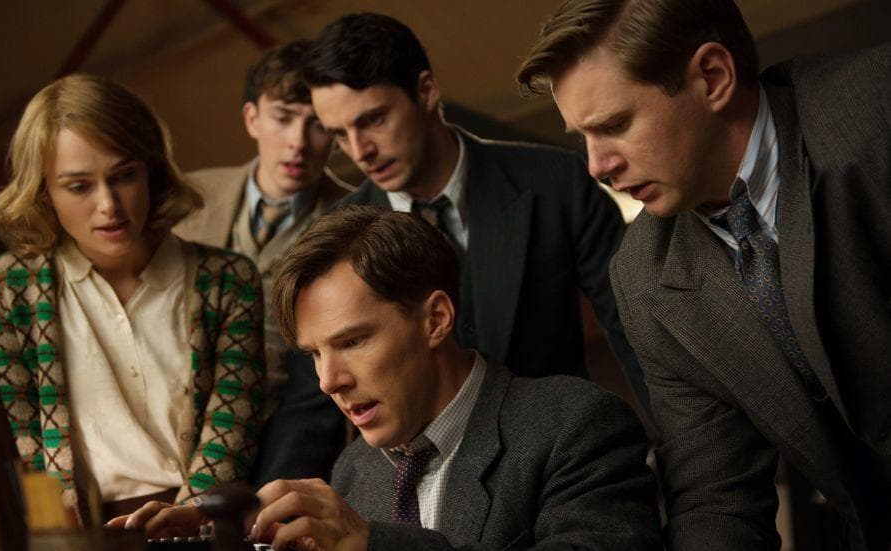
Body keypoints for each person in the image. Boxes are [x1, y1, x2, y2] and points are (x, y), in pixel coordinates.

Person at [517, 1, 891, 548]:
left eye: (616, 125)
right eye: (583, 138)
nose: (597, 167)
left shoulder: (876, 110)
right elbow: (717, 497)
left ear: (713, 77)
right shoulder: (643, 277)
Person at [114, 205, 661, 549]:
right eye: (314, 354)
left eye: (352, 341)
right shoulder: (353, 471)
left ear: (435, 319)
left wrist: (372, 544)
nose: (329, 380)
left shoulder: (575, 426)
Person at [302, 12, 650, 412]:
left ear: (426, 91)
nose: (359, 151)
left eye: (373, 120)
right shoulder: (335, 238)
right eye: (340, 134)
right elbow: (315, 401)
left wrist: (682, 445)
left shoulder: (555, 182)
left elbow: (640, 334)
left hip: (558, 435)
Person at [0, 73, 266, 521]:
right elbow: (22, 436)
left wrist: (187, 519)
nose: (109, 205)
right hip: (77, 532)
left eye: (124, 176)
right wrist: (61, 537)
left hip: (203, 525)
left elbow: (232, 431)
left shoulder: (228, 281)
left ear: (151, 171)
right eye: (79, 186)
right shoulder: (9, 287)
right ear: (43, 191)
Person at [174, 39, 347, 487]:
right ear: (252, 118)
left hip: (297, 440)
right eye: (283, 118)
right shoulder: (188, 201)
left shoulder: (356, 218)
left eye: (317, 125)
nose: (297, 143)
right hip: (184, 430)